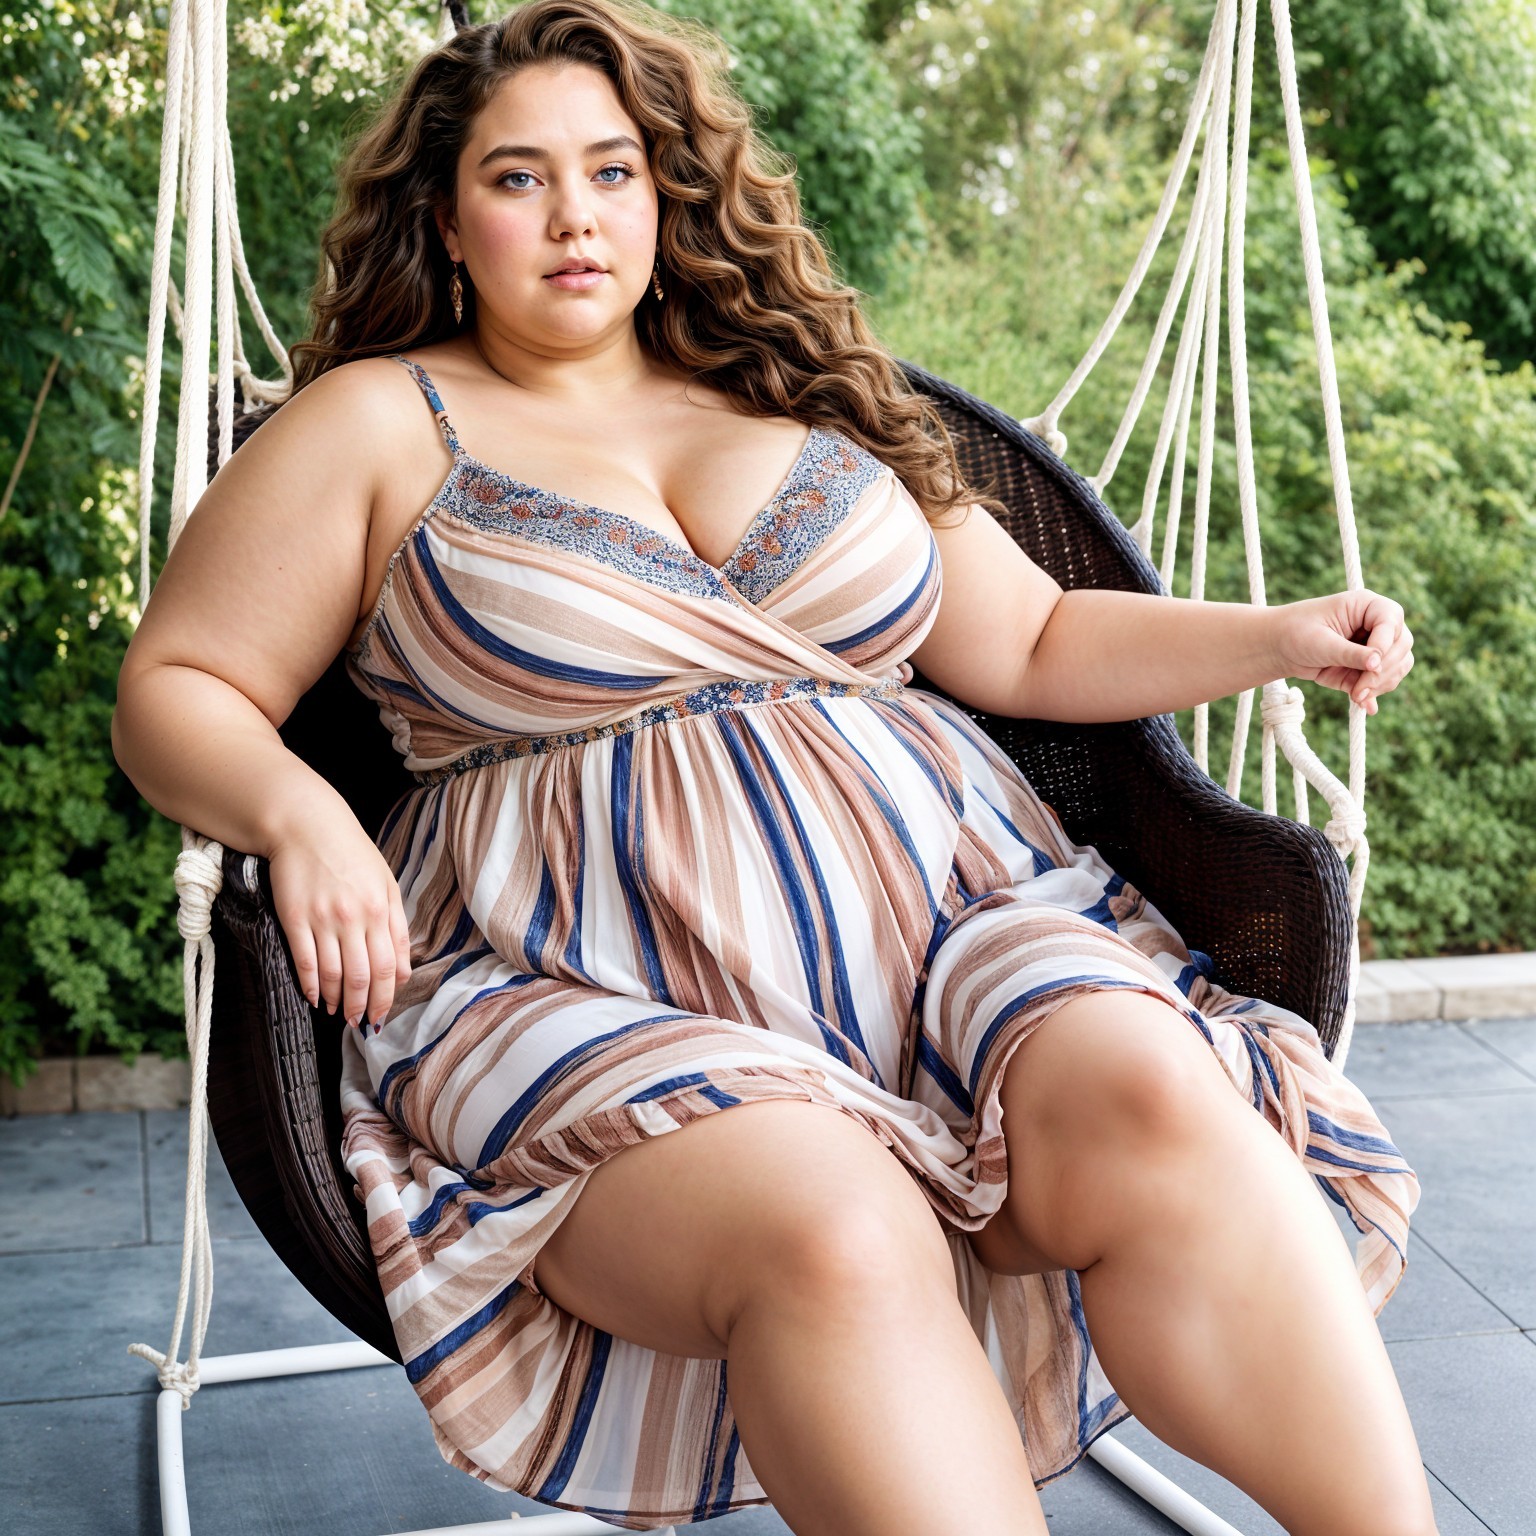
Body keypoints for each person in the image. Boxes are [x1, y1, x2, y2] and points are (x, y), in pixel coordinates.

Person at [111, 1, 1433, 1531]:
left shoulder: (795, 385)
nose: (575, 218)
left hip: (943, 926)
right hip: (581, 981)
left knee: (1158, 1089)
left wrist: (1276, 633)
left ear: (668, 192)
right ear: (448, 215)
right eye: (519, 178)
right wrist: (300, 812)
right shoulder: (371, 424)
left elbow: (1037, 638)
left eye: (612, 171)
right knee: (836, 1227)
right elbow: (177, 686)